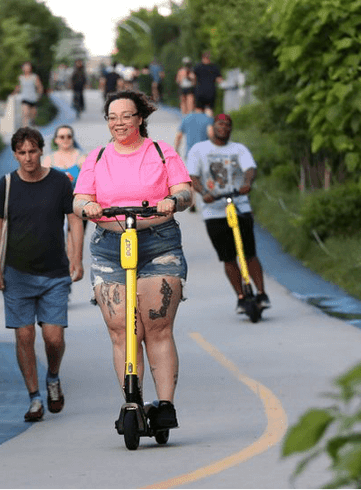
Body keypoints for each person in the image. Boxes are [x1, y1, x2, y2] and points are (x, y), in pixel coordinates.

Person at [72, 90, 193, 430]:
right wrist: (88, 207)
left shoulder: (160, 151)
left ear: (140, 118)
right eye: (113, 117)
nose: (119, 123)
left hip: (158, 243)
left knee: (157, 327)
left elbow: (184, 190)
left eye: (127, 116)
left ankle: (165, 405)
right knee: (122, 330)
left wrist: (173, 200)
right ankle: (133, 399)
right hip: (111, 244)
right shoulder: (96, 158)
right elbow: (79, 199)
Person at [0, 126, 84, 422]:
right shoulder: (6, 184)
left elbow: (74, 220)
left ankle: (52, 377)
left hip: (55, 272)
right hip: (17, 273)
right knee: (24, 335)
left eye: (32, 151)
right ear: (15, 154)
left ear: (42, 150)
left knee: (53, 338)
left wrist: (76, 258)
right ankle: (34, 398)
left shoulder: (59, 182)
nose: (27, 158)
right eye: (21, 153)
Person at [187, 113, 271, 313]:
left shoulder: (238, 149)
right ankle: (241, 297)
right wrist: (204, 193)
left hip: (239, 206)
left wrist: (246, 183)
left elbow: (250, 168)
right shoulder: (199, 150)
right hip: (213, 211)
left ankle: (261, 293)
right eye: (220, 124)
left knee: (249, 253)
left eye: (227, 125)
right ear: (213, 127)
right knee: (227, 257)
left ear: (231, 129)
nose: (223, 128)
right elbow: (193, 176)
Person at [43, 124, 89, 252]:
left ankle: (72, 267)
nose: (65, 139)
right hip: (55, 204)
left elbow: (89, 182)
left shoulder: (82, 158)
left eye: (69, 136)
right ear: (56, 140)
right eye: (61, 137)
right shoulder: (48, 160)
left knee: (73, 240)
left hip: (75, 204)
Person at [173, 107, 214, 212]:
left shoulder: (187, 118)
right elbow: (211, 134)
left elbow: (179, 135)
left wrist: (176, 149)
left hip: (191, 153)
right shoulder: (208, 118)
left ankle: (193, 203)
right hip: (205, 153)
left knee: (192, 179)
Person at [12, 61, 44, 128]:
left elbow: (39, 86)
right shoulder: (21, 77)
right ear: (22, 69)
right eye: (25, 67)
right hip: (25, 98)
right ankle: (25, 130)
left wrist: (39, 95)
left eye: (28, 67)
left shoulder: (34, 77)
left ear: (30, 68)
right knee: (25, 114)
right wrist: (14, 93)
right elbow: (19, 87)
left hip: (33, 98)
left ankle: (32, 124)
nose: (26, 69)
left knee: (32, 116)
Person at [191, 52, 223, 117]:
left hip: (200, 91)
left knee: (199, 109)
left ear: (202, 58)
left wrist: (194, 85)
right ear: (209, 58)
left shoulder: (197, 66)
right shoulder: (214, 67)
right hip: (211, 91)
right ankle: (209, 123)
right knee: (209, 109)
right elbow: (219, 80)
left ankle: (199, 124)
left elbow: (192, 77)